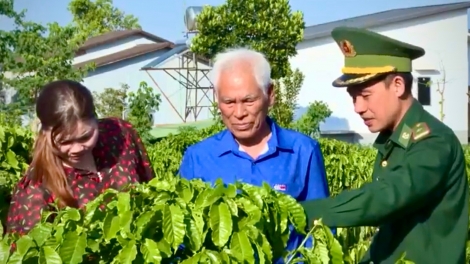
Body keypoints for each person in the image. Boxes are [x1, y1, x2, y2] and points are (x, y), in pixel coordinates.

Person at [301, 26, 468, 264]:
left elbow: (386, 197)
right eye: (353, 97)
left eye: (366, 95)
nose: (357, 107)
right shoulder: (394, 141)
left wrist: (304, 212)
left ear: (398, 85)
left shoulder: (434, 142)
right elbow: (393, 233)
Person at [178, 47, 331, 261]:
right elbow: (182, 240)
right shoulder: (198, 158)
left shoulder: (302, 152)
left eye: (249, 101)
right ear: (217, 99)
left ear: (270, 95)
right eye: (229, 102)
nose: (239, 113)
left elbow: (320, 229)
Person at [6, 80, 155, 235]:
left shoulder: (119, 135)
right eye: (65, 142)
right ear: (43, 132)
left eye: (86, 137)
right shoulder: (34, 191)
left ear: (95, 120)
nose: (77, 148)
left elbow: (150, 187)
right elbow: (26, 253)